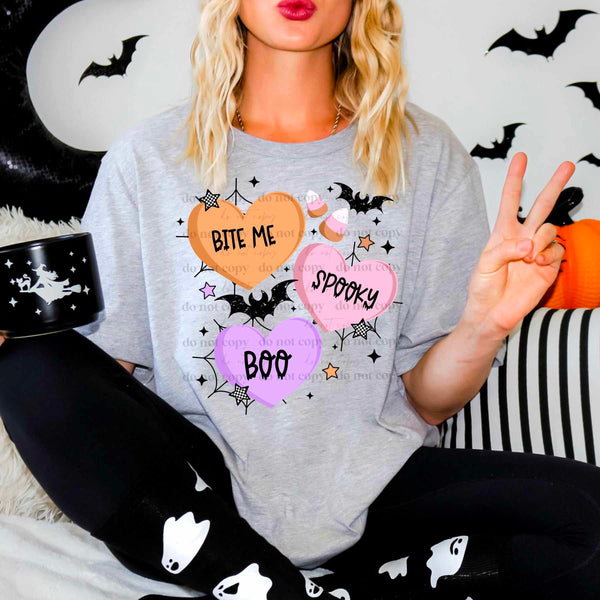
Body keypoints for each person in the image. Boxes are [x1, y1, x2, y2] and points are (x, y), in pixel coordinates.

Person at [1, 1, 599, 599]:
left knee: (590, 516)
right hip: (197, 501)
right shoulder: (147, 156)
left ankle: (275, 586)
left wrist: (484, 325)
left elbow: (428, 402)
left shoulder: (427, 153)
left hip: (376, 488)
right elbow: (105, 384)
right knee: (26, 363)